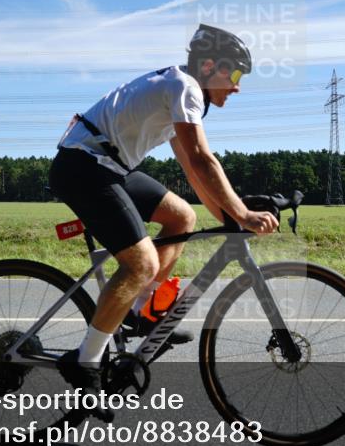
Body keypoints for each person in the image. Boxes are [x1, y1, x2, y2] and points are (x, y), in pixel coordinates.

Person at [48, 24, 279, 418]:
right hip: (84, 166)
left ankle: (140, 312)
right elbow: (204, 160)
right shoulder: (185, 87)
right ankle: (85, 363)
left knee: (182, 216)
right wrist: (242, 213)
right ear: (209, 67)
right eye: (236, 74)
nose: (238, 86)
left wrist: (228, 220)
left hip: (109, 166)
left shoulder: (181, 93)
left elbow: (192, 169)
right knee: (141, 263)